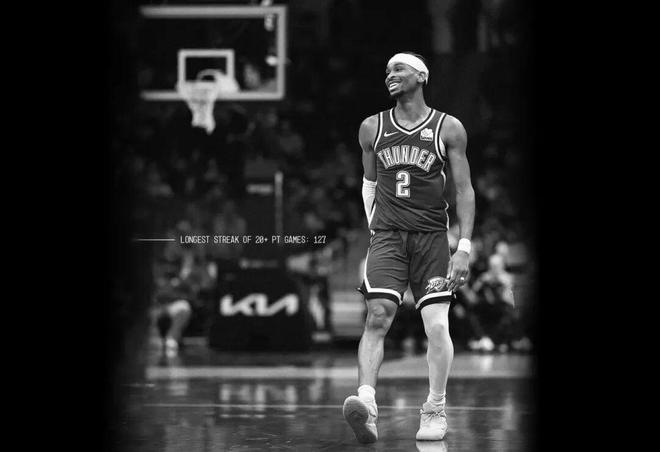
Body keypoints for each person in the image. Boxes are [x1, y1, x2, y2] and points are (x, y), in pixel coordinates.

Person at [342, 52, 475, 443]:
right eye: (387, 71)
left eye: (398, 69)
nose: (390, 75)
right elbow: (369, 183)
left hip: (432, 238)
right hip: (387, 237)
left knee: (437, 326)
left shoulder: (448, 128)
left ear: (421, 76)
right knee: (377, 316)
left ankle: (435, 407)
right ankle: (367, 405)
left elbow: (464, 190)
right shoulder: (372, 127)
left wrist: (464, 247)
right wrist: (374, 226)